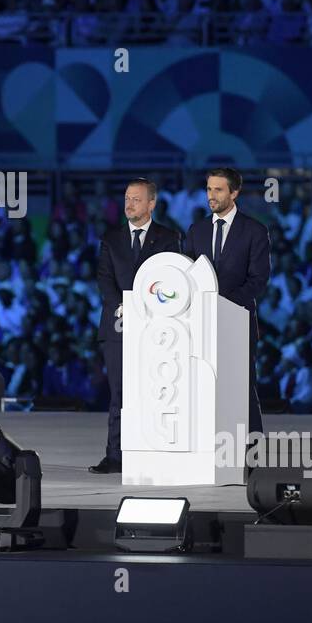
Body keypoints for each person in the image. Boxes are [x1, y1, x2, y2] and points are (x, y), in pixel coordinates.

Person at [90, 178, 183, 474]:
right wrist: (124, 306)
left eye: (137, 199)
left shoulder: (169, 238)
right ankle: (115, 455)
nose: (129, 204)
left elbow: (172, 278)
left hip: (157, 328)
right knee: (119, 394)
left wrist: (147, 309)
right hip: (118, 326)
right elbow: (104, 279)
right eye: (127, 199)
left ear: (151, 203)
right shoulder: (111, 238)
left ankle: (156, 452)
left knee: (157, 392)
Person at [184, 167, 271, 436]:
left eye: (218, 190)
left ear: (234, 192)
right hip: (201, 323)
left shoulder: (254, 230)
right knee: (201, 386)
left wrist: (223, 304)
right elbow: (187, 274)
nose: (211, 195)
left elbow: (258, 279)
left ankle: (254, 453)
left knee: (243, 387)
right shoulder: (196, 230)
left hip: (238, 321)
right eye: (209, 189)